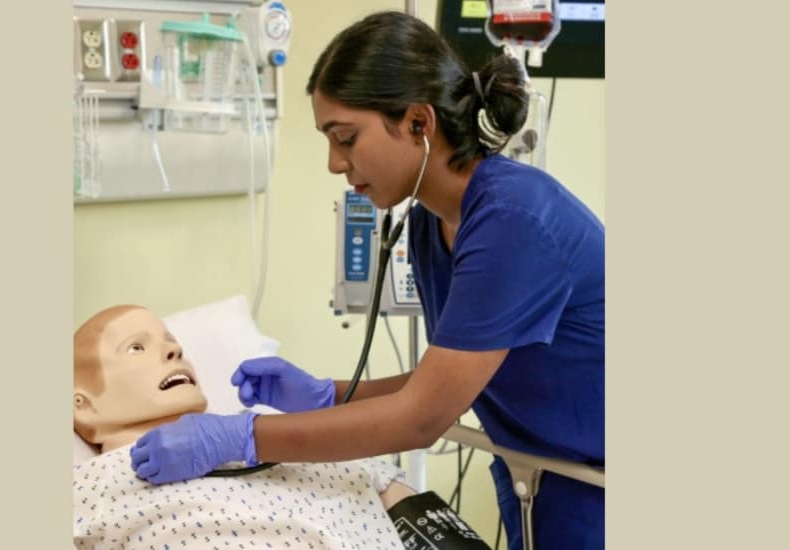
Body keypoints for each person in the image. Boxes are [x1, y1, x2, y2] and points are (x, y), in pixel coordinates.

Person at [130, 11, 605, 550]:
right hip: (541, 477)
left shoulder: (513, 221)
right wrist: (326, 396)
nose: (335, 163)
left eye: (346, 138)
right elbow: (450, 378)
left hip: (595, 482)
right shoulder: (433, 223)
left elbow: (422, 417)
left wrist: (241, 437)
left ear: (418, 124)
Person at [73, 304, 415, 549]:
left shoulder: (296, 441)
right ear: (83, 407)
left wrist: (324, 402)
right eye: (136, 347)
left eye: (171, 340)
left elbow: (422, 515)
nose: (173, 349)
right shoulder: (92, 485)